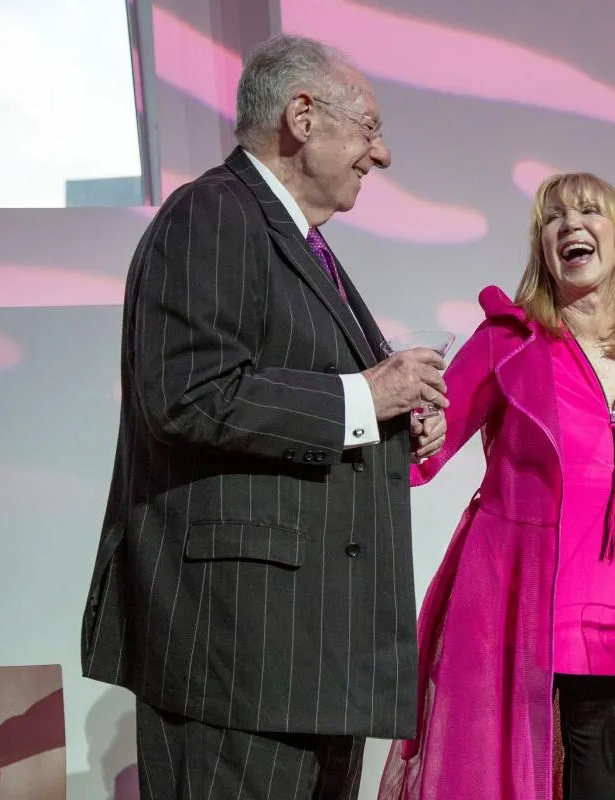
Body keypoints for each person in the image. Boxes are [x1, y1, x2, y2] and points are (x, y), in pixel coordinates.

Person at [79, 34, 449, 799]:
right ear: (303, 116)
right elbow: (185, 392)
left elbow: (292, 398)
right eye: (370, 127)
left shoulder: (301, 243)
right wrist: (363, 397)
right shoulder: (211, 215)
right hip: (239, 656)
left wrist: (391, 423)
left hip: (307, 659)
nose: (380, 156)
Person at [379, 172, 615, 800]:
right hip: (518, 618)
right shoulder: (510, 341)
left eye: (588, 211)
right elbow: (421, 451)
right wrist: (411, 429)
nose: (570, 225)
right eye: (553, 218)